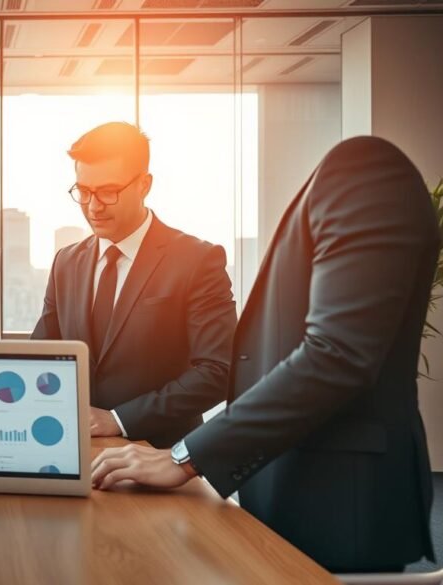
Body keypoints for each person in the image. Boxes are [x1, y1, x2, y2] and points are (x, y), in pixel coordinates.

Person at [90, 136, 438, 573]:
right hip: (299, 484)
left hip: (336, 499)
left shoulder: (366, 168)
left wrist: (184, 456)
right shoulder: (338, 182)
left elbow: (336, 355)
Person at [31, 122, 236, 448]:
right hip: (71, 449)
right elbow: (41, 357)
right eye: (83, 192)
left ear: (144, 185)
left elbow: (218, 371)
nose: (94, 206)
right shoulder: (65, 262)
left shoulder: (197, 260)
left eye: (108, 191)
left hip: (161, 458)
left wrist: (119, 420)